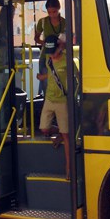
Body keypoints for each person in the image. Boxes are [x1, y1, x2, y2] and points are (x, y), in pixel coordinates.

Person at [37, 34, 71, 179]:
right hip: (49, 99)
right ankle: (60, 133)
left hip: (62, 100)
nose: (51, 55)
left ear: (60, 48)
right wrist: (42, 77)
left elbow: (77, 76)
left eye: (53, 51)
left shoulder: (67, 61)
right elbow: (52, 74)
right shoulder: (48, 60)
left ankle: (69, 167)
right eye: (49, 52)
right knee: (44, 128)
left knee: (67, 136)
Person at [34, 0, 66, 95]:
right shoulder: (42, 22)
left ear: (59, 9)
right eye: (49, 12)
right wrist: (46, 44)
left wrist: (59, 47)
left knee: (59, 82)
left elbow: (66, 40)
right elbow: (36, 38)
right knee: (46, 86)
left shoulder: (65, 22)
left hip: (61, 56)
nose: (52, 15)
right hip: (45, 56)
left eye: (54, 12)